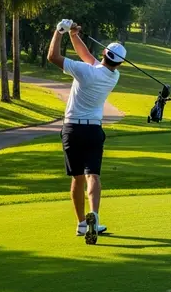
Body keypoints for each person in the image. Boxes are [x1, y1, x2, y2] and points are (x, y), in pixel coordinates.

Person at [47, 19, 124, 245]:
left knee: (77, 178)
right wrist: (74, 35)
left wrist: (59, 31)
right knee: (94, 175)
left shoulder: (84, 72)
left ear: (103, 53)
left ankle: (82, 223)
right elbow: (88, 58)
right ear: (118, 63)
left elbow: (53, 57)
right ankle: (95, 217)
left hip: (72, 129)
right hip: (93, 129)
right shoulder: (112, 76)